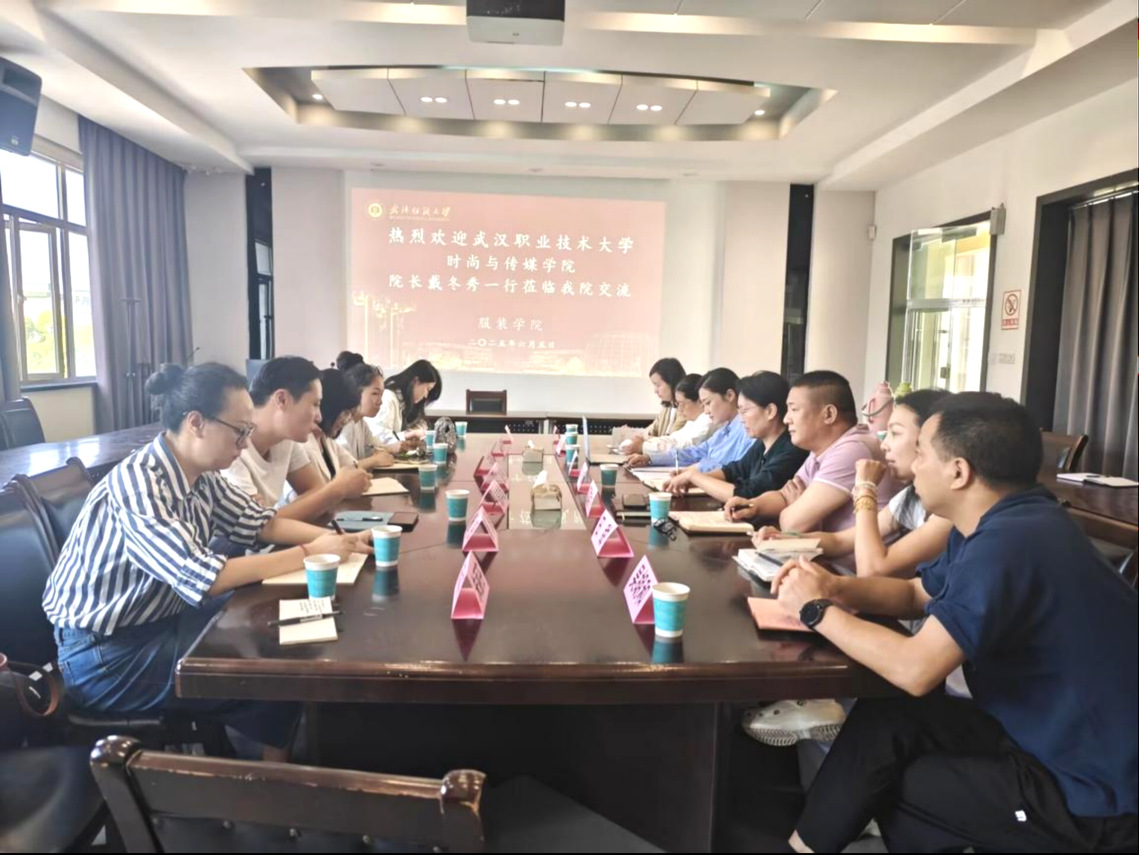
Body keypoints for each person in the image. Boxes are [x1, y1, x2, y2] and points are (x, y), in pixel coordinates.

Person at [774, 393, 1137, 853]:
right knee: (889, 716)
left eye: (922, 452)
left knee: (903, 783)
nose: (912, 464)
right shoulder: (1005, 520)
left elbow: (917, 669)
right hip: (1036, 731)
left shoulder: (1009, 542)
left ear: (959, 471)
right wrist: (833, 587)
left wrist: (815, 610)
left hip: (1092, 788)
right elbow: (915, 594)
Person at [42, 363, 373, 761]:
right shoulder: (140, 485)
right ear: (196, 423)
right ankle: (271, 779)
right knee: (270, 660)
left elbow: (262, 524)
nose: (245, 444)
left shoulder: (200, 475)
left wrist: (337, 540)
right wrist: (310, 553)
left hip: (160, 621)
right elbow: (206, 577)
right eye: (239, 431)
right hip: (106, 657)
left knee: (277, 623)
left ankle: (276, 759)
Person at [743, 388, 958, 747]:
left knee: (817, 606)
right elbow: (842, 541)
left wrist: (865, 489)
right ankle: (815, 702)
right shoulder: (913, 496)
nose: (884, 444)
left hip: (916, 632)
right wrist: (789, 540)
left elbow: (873, 568)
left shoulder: (949, 512)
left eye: (896, 433)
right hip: (897, 605)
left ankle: (824, 704)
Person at [724, 370, 902, 534]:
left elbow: (792, 524)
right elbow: (785, 495)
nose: (786, 419)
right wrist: (752, 505)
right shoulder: (823, 449)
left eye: (794, 409)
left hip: (850, 559)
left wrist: (796, 506)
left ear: (829, 414)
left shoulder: (853, 450)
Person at [223, 356, 370, 521]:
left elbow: (317, 491)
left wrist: (269, 516)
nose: (319, 417)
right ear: (282, 399)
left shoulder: (285, 439)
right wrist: (337, 489)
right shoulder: (232, 448)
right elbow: (255, 525)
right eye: (315, 404)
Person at [664, 371, 806, 502]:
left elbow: (748, 493)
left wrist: (693, 476)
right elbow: (734, 471)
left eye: (744, 411)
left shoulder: (791, 450)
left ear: (770, 411)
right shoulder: (762, 444)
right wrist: (692, 479)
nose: (741, 419)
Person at [625, 368, 754, 473]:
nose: (706, 411)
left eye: (708, 403)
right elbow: (697, 452)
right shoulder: (726, 428)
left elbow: (729, 467)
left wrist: (693, 471)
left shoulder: (747, 430)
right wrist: (651, 458)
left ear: (730, 396)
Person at [298, 368, 366, 484]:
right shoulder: (301, 444)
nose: (347, 420)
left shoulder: (325, 439)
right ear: (329, 407)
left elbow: (353, 467)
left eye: (350, 414)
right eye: (345, 413)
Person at [366, 359, 441, 450]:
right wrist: (408, 434)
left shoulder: (405, 402)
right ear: (416, 381)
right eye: (428, 389)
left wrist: (416, 431)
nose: (426, 395)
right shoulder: (389, 398)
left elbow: (420, 422)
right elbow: (380, 438)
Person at [622, 358, 688, 455]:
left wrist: (643, 441)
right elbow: (651, 430)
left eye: (658, 385)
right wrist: (640, 437)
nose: (655, 390)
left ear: (672, 382)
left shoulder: (685, 410)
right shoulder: (666, 407)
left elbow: (670, 440)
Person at [337, 362, 397, 467]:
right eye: (375, 393)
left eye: (381, 394)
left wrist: (384, 451)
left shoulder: (361, 422)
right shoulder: (342, 423)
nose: (380, 401)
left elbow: (376, 447)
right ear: (356, 392)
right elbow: (342, 468)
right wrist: (375, 461)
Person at [641, 373, 716, 455]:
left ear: (700, 401)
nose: (679, 409)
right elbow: (673, 438)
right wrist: (646, 443)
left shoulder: (708, 420)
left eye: (682, 404)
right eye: (678, 404)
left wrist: (644, 446)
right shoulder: (692, 421)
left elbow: (686, 447)